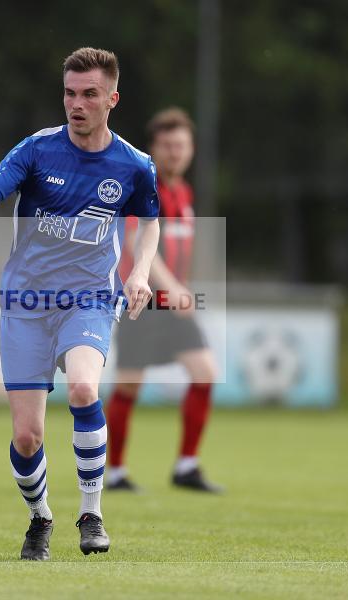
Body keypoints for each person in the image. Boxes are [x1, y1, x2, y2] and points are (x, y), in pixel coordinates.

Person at [0, 47, 160, 561]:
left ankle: (92, 513)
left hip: (88, 298)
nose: (76, 103)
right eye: (70, 93)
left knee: (85, 386)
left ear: (112, 98)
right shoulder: (37, 150)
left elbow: (150, 219)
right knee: (27, 436)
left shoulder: (134, 165)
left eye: (89, 94)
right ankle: (39, 519)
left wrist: (138, 272)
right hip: (26, 303)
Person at [106, 107, 224, 494]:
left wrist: (180, 287)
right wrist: (171, 286)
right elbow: (138, 242)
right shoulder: (145, 184)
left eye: (182, 145)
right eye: (168, 145)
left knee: (205, 371)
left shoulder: (183, 192)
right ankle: (115, 471)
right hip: (144, 302)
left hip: (174, 306)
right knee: (127, 389)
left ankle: (186, 465)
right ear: (154, 148)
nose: (176, 152)